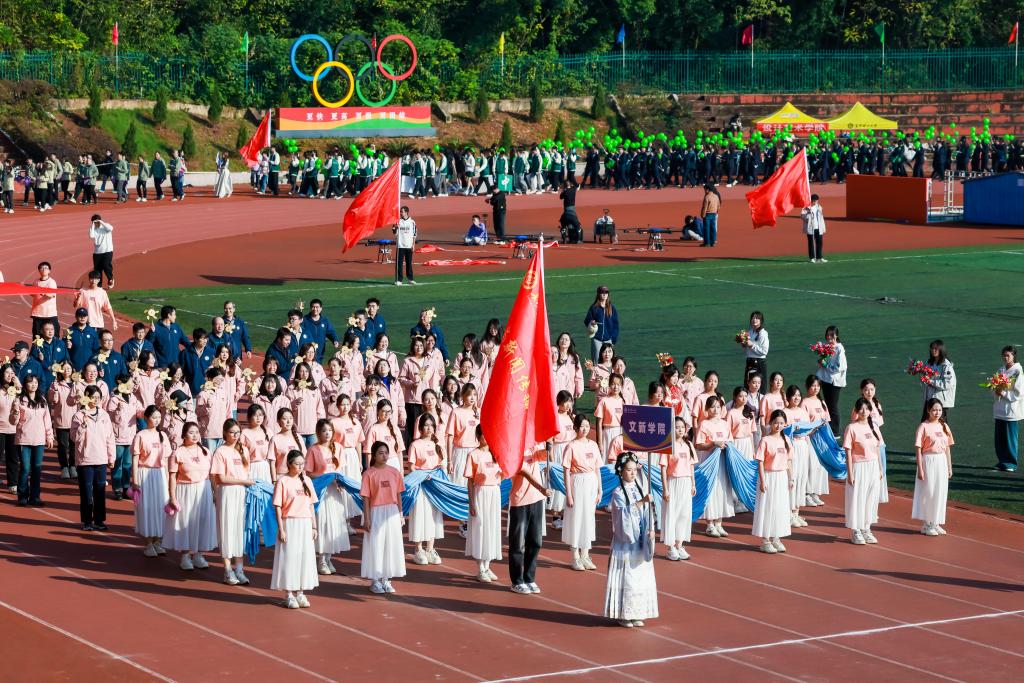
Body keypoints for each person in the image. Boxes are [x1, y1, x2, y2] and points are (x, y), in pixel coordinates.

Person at [604, 452, 658, 629]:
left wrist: (651, 528)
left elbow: (648, 512)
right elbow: (622, 517)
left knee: (640, 578)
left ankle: (638, 612)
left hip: (641, 541)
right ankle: (625, 614)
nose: (633, 473)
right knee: (628, 577)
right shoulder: (618, 493)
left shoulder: (641, 488)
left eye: (635, 469)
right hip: (626, 542)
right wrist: (642, 502)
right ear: (621, 472)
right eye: (629, 470)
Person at [165, 422, 217, 570]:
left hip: (204, 490)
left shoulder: (206, 451)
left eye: (197, 432)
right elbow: (172, 477)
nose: (195, 435)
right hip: (185, 491)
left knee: (203, 521)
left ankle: (199, 555)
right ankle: (186, 556)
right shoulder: (178, 453)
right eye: (191, 432)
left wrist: (215, 492)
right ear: (183, 435)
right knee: (187, 523)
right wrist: (172, 497)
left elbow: (212, 475)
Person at [272, 450, 319, 607]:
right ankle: (289, 594)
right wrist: (281, 529)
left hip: (305, 524)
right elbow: (278, 507)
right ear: (289, 464)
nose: (300, 467)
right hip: (290, 523)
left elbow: (311, 505)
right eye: (297, 464)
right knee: (290, 558)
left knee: (304, 558)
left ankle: (300, 593)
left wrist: (314, 526)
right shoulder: (282, 481)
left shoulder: (307, 480)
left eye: (302, 464)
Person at [211, 420, 254, 585]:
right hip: (227, 493)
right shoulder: (220, 451)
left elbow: (246, 473)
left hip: (241, 493)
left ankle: (240, 569)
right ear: (225, 433)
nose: (235, 436)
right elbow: (221, 478)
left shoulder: (243, 450)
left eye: (238, 432)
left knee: (239, 530)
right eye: (232, 432)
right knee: (227, 530)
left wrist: (246, 483)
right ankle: (228, 570)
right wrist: (243, 481)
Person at [360, 441, 406, 594]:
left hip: (392, 511)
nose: (384, 456)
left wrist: (400, 514)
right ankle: (375, 580)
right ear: (374, 455)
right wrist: (367, 519)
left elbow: (398, 495)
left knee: (390, 545)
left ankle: (386, 579)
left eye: (386, 452)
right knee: (376, 545)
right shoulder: (368, 474)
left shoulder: (394, 472)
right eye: (380, 453)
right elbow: (366, 498)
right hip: (376, 512)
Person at [305, 419, 350, 575]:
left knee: (334, 524)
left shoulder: (338, 448)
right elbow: (308, 473)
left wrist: (340, 482)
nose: (327, 433)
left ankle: (329, 558)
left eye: (330, 430)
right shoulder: (313, 450)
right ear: (318, 433)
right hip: (321, 492)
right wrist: (325, 478)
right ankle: (321, 559)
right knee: (323, 523)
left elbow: (341, 471)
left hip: (334, 492)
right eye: (324, 431)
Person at [508, 444, 551, 595]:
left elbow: (543, 456)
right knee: (518, 544)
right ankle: (517, 581)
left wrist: (548, 447)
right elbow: (523, 472)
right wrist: (541, 488)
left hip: (536, 500)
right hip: (520, 501)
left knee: (535, 542)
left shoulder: (534, 445)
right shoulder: (512, 449)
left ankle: (529, 578)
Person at [562, 414, 603, 571]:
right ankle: (575, 556)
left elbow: (597, 468)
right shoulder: (571, 446)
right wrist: (569, 494)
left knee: (588, 518)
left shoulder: (593, 445)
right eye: (582, 426)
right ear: (576, 428)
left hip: (591, 481)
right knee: (577, 518)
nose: (585, 429)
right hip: (577, 482)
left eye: (587, 426)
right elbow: (566, 471)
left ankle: (585, 554)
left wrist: (600, 489)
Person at [70, 385, 114, 528]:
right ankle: (87, 521)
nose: (96, 400)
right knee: (86, 492)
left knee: (100, 491)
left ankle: (99, 521)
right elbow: (74, 438)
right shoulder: (78, 416)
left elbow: (110, 438)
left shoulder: (104, 415)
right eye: (93, 397)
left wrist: (111, 457)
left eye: (98, 398)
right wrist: (82, 426)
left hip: (101, 458)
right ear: (87, 397)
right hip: (85, 460)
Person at [131, 406, 171, 556]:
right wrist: (135, 480)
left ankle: (157, 541)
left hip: (159, 474)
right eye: (154, 417)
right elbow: (135, 459)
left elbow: (166, 460)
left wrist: (168, 479)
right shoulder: (140, 435)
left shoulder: (163, 435)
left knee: (161, 508)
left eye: (159, 417)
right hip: (145, 474)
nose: (157, 420)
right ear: (146, 418)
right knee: (147, 508)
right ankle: (148, 543)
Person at [752, 410, 793, 554]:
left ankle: (776, 537)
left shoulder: (786, 440)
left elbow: (788, 461)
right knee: (767, 507)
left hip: (781, 477)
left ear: (785, 424)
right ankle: (765, 541)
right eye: (776, 423)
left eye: (781, 423)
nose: (778, 425)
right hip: (769, 476)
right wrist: (763, 481)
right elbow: (760, 462)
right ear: (770, 423)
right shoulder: (765, 440)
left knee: (779, 508)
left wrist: (791, 478)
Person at [844, 398, 884, 545]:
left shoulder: (874, 427)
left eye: (867, 409)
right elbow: (848, 452)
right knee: (857, 498)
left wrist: (880, 468)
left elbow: (877, 449)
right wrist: (850, 473)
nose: (864, 411)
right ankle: (856, 530)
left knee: (871, 498)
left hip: (873, 466)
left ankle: (866, 528)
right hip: (858, 466)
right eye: (861, 409)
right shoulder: (851, 428)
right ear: (856, 411)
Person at [913, 399, 954, 536]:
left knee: (940, 492)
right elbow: (918, 449)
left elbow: (947, 448)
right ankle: (927, 523)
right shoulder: (923, 427)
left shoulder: (944, 426)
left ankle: (935, 522)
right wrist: (920, 468)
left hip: (941, 460)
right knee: (929, 491)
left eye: (940, 410)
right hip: (928, 461)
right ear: (928, 410)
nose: (937, 413)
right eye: (934, 410)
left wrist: (949, 467)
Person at [12, 374, 54, 506]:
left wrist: (49, 436)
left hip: (39, 440)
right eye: (30, 382)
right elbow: (13, 421)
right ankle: (23, 496)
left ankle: (35, 497)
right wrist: (15, 411)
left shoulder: (42, 400)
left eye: (35, 382)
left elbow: (47, 420)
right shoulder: (19, 400)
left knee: (36, 469)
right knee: (25, 468)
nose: (33, 385)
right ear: (25, 385)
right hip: (24, 439)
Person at [660, 417, 697, 561]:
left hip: (686, 482)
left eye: (682, 427)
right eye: (676, 427)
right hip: (673, 482)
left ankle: (679, 545)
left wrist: (693, 484)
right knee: (672, 514)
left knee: (684, 514)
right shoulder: (668, 445)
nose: (680, 430)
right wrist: (665, 489)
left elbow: (691, 466)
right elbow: (663, 468)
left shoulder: (688, 445)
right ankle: (671, 548)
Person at [991, 345, 1024, 472]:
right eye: (1004, 355)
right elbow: (993, 385)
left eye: (1008, 355)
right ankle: (1002, 461)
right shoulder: (1001, 370)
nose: (1005, 358)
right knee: (999, 439)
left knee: (1010, 438)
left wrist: (1003, 393)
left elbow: (1019, 393)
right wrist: (995, 390)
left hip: (1011, 411)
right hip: (999, 409)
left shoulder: (1018, 372)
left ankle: (1011, 463)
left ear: (1013, 356)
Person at [815, 325, 847, 435]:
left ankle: (835, 431)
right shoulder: (826, 346)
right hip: (825, 379)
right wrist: (821, 360)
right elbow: (823, 359)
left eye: (831, 335)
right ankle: (828, 426)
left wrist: (826, 365)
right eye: (827, 335)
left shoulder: (839, 349)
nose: (829, 337)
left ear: (836, 336)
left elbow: (840, 367)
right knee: (827, 404)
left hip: (834, 382)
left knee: (832, 406)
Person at [922, 339, 956, 420]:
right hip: (929, 400)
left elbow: (947, 384)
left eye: (936, 349)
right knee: (925, 422)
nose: (933, 350)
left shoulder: (946, 365)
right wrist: (924, 379)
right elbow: (926, 379)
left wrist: (931, 382)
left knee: (941, 425)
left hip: (940, 402)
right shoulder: (929, 363)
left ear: (941, 349)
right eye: (932, 348)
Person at [583, 285, 619, 363]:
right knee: (596, 361)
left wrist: (613, 340)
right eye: (602, 292)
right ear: (598, 294)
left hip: (608, 339)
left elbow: (616, 325)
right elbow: (587, 320)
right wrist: (591, 323)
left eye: (606, 292)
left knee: (608, 361)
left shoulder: (612, 308)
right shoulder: (594, 307)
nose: (604, 294)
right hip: (597, 339)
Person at [29, 261, 59, 338]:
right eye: (42, 268)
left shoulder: (51, 282)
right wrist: (27, 290)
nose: (44, 269)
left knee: (53, 336)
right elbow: (33, 294)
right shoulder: (36, 281)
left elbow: (51, 295)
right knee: (37, 337)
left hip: (49, 314)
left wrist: (42, 292)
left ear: (49, 271)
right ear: (39, 270)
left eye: (46, 268)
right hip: (37, 313)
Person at [741, 311, 769, 384]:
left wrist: (752, 345)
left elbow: (764, 351)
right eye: (753, 318)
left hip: (759, 363)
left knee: (759, 387)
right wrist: (744, 345)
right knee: (748, 385)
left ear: (761, 321)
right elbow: (747, 352)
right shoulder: (749, 332)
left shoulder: (763, 333)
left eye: (757, 318)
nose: (754, 320)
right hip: (749, 362)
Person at [88, 214, 115, 289]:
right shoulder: (93, 229)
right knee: (97, 270)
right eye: (94, 222)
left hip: (107, 251)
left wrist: (101, 222)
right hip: (97, 253)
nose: (96, 223)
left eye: (97, 222)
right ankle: (99, 286)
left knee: (106, 266)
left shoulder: (105, 227)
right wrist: (93, 225)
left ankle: (110, 279)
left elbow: (111, 228)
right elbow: (91, 236)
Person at [393, 206, 417, 286]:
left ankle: (410, 279)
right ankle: (399, 280)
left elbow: (414, 234)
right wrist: (395, 228)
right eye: (400, 211)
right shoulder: (398, 221)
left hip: (409, 245)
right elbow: (394, 232)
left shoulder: (412, 222)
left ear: (406, 212)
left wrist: (413, 244)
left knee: (409, 263)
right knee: (399, 263)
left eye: (402, 211)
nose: (400, 213)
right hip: (400, 245)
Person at [802, 194, 827, 263]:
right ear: (811, 200)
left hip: (818, 228)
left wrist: (823, 227)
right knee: (811, 243)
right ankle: (812, 258)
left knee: (819, 243)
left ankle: (819, 257)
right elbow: (802, 216)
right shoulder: (806, 207)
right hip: (811, 228)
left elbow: (821, 217)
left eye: (816, 201)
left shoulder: (819, 207)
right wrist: (808, 215)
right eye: (814, 201)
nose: (815, 202)